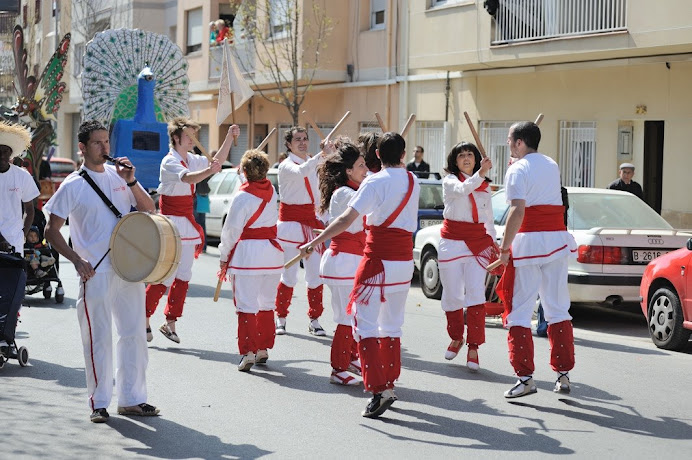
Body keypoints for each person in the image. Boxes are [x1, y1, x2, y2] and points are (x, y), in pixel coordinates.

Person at [44, 120, 159, 423]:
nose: (105, 148)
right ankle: (99, 401)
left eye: (106, 142)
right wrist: (76, 260)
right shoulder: (72, 185)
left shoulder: (119, 175)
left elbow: (149, 211)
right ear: (82, 147)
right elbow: (51, 231)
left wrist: (132, 181)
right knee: (98, 337)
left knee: (134, 334)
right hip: (94, 270)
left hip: (127, 267)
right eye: (97, 143)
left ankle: (133, 399)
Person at [299, 132, 420, 418]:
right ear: (403, 155)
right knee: (392, 326)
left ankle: (379, 389)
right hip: (403, 263)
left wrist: (315, 242)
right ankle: (389, 382)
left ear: (377, 156)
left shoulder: (374, 182)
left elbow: (345, 220)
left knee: (364, 325)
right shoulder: (414, 181)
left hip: (377, 262)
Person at [496, 121, 577, 399]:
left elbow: (517, 211)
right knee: (557, 308)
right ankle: (563, 375)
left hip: (530, 244)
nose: (507, 144)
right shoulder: (551, 163)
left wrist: (504, 249)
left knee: (519, 311)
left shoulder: (517, 169)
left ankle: (525, 378)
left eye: (509, 140)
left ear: (519, 142)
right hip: (556, 241)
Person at [145, 119, 239, 344]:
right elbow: (189, 178)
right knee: (165, 275)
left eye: (195, 135)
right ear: (176, 137)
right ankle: (143, 316)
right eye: (189, 135)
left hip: (186, 220)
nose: (193, 139)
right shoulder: (170, 161)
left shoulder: (192, 158)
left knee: (184, 274)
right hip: (170, 223)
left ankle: (170, 322)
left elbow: (219, 160)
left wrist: (229, 136)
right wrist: (209, 170)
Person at [218, 150, 284, 372]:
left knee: (246, 305)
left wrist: (224, 256)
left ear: (245, 172)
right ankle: (263, 349)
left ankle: (248, 352)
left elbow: (231, 231)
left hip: (248, 256)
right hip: (272, 255)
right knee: (266, 303)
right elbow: (254, 189)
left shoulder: (242, 196)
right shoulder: (272, 190)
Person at [438, 142, 496, 371]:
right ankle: (456, 337)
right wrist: (481, 173)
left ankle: (473, 346)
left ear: (476, 159)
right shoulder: (450, 181)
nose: (466, 158)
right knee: (452, 294)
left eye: (470, 155)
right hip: (452, 242)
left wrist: (493, 245)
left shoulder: (484, 186)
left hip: (478, 243)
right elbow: (464, 190)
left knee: (475, 294)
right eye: (461, 155)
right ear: (455, 161)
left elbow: (488, 219)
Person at [317, 141, 368, 386]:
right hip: (343, 262)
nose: (366, 169)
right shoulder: (346, 194)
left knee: (355, 315)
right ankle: (338, 369)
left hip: (351, 261)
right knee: (346, 318)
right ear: (348, 170)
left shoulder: (352, 190)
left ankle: (350, 357)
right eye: (360, 165)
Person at [274, 126, 327, 336]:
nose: (303, 142)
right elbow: (301, 172)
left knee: (315, 275)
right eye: (298, 139)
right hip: (290, 227)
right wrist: (322, 155)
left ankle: (314, 319)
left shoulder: (314, 162)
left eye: (305, 138)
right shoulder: (286, 166)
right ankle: (281, 317)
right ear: (289, 144)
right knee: (289, 275)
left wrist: (330, 153)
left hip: (312, 225)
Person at [0, 121, 38, 256]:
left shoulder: (22, 176)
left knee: (15, 276)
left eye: (5, 151)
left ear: (11, 153)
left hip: (14, 242)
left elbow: (30, 211)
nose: (2, 155)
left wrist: (22, 235)